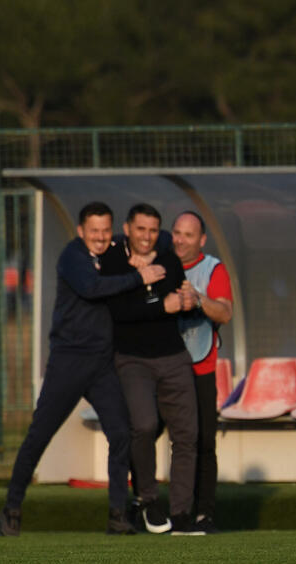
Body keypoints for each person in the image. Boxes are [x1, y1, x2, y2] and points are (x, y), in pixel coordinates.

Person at [0, 202, 165, 536]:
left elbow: (158, 240)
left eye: (105, 231)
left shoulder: (113, 249)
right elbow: (92, 288)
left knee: (120, 431)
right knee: (40, 434)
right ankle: (11, 508)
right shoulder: (73, 256)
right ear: (80, 231)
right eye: (93, 231)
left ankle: (118, 514)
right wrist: (139, 275)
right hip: (69, 362)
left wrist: (145, 257)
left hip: (102, 363)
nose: (100, 238)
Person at [100, 203, 201, 535]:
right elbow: (119, 310)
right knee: (143, 425)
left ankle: (183, 513)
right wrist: (156, 299)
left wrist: (179, 299)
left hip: (173, 355)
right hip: (131, 358)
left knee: (187, 434)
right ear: (127, 229)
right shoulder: (112, 262)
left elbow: (173, 297)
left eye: (153, 230)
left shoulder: (169, 259)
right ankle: (147, 499)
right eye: (141, 229)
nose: (147, 237)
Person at [172, 211, 233, 534]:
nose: (181, 240)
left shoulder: (213, 269)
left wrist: (198, 300)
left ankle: (203, 514)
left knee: (204, 442)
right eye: (177, 233)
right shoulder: (160, 264)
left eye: (189, 234)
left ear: (202, 240)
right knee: (146, 431)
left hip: (200, 367)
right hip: (164, 368)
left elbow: (225, 311)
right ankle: (156, 508)